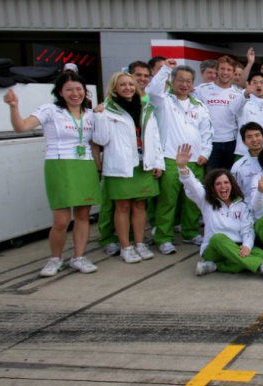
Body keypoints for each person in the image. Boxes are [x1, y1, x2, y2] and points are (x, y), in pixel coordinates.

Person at [4, 72, 102, 276]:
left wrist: (98, 168)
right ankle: (55, 259)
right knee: (61, 220)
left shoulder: (91, 113)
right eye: (69, 90)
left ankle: (79, 257)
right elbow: (21, 127)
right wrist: (14, 108)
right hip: (59, 165)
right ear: (60, 92)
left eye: (79, 89)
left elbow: (93, 144)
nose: (75, 93)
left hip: (85, 166)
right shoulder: (50, 110)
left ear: (85, 91)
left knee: (83, 215)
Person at [174, 143, 263, 282]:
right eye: (218, 184)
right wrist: (183, 168)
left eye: (226, 183)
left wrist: (247, 246)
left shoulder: (242, 204)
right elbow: (192, 185)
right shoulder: (206, 201)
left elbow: (247, 229)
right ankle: (262, 265)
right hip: (214, 249)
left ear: (232, 184)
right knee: (218, 238)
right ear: (212, 187)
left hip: (236, 246)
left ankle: (215, 266)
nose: (223, 186)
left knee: (260, 253)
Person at [92, 71, 163, 264]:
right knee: (122, 206)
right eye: (123, 85)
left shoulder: (146, 107)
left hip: (143, 163)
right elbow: (100, 140)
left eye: (131, 85)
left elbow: (155, 137)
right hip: (120, 165)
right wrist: (99, 117)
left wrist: (158, 162)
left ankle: (139, 243)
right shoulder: (106, 110)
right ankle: (126, 246)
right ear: (114, 88)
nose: (128, 88)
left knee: (140, 205)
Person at [146, 60, 213, 255]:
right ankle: (164, 237)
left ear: (193, 83)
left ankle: (190, 232)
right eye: (180, 80)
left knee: (193, 200)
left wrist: (205, 153)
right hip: (170, 158)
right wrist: (165, 69)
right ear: (172, 81)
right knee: (168, 201)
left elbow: (207, 132)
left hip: (195, 160)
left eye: (189, 81)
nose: (184, 84)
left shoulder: (199, 105)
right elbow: (152, 90)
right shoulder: (163, 101)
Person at [194, 55, 244, 171]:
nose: (225, 72)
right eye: (222, 69)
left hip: (231, 143)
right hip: (209, 143)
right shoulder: (201, 89)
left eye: (229, 70)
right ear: (217, 70)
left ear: (233, 72)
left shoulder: (239, 93)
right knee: (211, 178)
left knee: (229, 179)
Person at [230, 122, 263, 190]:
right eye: (249, 137)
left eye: (257, 135)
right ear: (244, 141)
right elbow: (234, 192)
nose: (254, 140)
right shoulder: (238, 166)